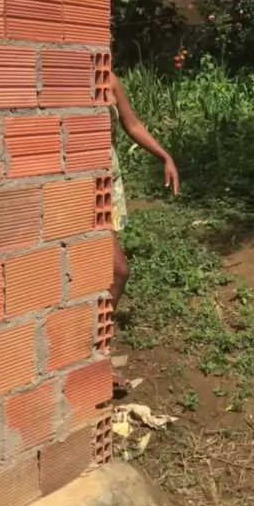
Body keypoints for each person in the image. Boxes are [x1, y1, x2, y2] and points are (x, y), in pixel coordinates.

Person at [107, 72, 179, 386]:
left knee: (100, 273)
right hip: (80, 187)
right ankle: (96, 353)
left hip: (107, 183)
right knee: (117, 271)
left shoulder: (109, 79)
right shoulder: (66, 77)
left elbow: (132, 123)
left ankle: (93, 349)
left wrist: (165, 156)